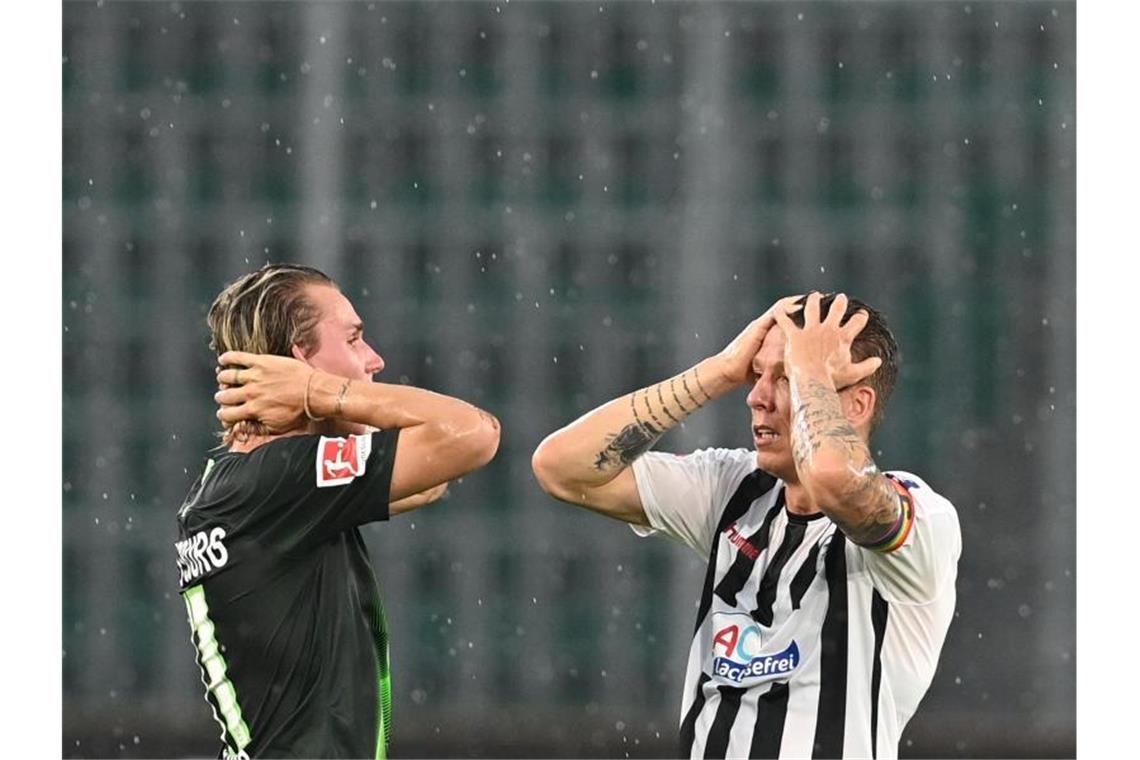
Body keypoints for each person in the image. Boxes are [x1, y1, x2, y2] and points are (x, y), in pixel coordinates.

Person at [531, 292, 961, 759]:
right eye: (757, 375)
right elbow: (561, 467)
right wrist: (717, 371)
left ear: (857, 405)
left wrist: (811, 372)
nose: (756, 397)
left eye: (787, 379)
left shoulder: (922, 518)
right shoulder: (735, 489)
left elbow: (835, 477)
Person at [176, 263, 500, 760]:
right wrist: (319, 392)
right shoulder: (281, 478)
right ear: (294, 360)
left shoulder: (235, 481)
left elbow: (432, 479)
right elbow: (475, 434)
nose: (374, 359)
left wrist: (331, 405)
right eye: (353, 340)